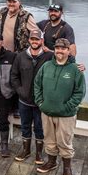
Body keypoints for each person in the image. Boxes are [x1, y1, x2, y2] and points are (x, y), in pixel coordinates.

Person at [34, 38, 85, 175]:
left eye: (63, 48)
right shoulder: (46, 66)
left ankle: (67, 167)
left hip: (66, 115)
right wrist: (40, 103)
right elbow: (37, 85)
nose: (59, 51)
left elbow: (79, 92)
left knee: (65, 142)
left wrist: (67, 107)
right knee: (49, 140)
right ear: (54, 50)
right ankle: (51, 162)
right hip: (47, 111)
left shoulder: (76, 70)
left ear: (69, 51)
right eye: (57, 48)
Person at [10, 30, 52, 164]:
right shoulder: (20, 56)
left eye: (37, 39)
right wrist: (20, 90)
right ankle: (26, 150)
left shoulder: (49, 56)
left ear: (42, 41)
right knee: (25, 126)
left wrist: (77, 65)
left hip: (41, 102)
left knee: (40, 128)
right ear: (29, 40)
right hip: (24, 101)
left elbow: (65, 59)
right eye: (32, 39)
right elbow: (14, 76)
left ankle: (39, 153)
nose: (35, 42)